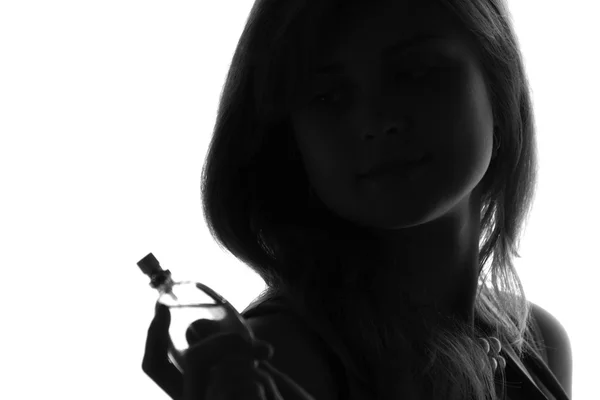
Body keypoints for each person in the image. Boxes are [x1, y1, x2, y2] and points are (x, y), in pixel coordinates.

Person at [142, 0, 572, 399]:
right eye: (327, 96)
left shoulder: (535, 338)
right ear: (290, 142)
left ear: (500, 85)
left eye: (416, 71)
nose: (377, 119)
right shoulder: (280, 360)